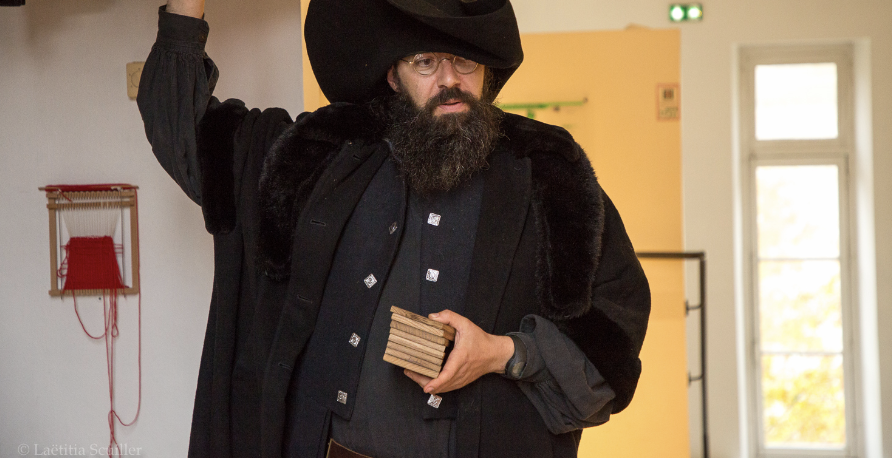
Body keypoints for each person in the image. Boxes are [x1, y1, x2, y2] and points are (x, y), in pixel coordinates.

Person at [137, 0, 651, 457]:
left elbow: (612, 339)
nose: (449, 80)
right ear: (393, 76)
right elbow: (183, 130)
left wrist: (502, 354)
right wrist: (187, 8)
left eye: (464, 61)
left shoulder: (548, 173)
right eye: (425, 62)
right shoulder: (318, 156)